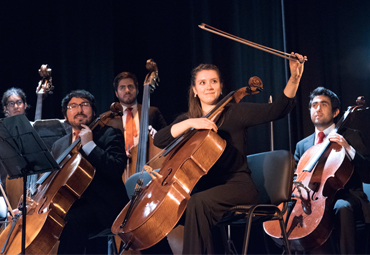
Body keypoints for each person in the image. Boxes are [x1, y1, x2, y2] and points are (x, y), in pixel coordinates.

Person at [153, 53, 305, 254]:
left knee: (198, 203)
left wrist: (294, 78)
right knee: (174, 209)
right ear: (195, 90)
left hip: (238, 186)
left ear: (221, 86)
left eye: (213, 81)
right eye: (203, 82)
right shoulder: (187, 121)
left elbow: (277, 110)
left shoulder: (236, 112)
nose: (209, 86)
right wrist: (191, 123)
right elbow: (160, 140)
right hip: (207, 190)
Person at [51, 89, 129, 254]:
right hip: (71, 204)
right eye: (73, 106)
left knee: (71, 222)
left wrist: (89, 146)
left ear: (93, 111)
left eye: (84, 105)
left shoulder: (109, 134)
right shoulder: (59, 145)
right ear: (65, 115)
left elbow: (115, 169)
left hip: (104, 205)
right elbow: (52, 179)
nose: (79, 109)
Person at [294, 87, 370, 254]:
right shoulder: (302, 145)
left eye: (323, 104)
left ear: (336, 112)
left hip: (347, 196)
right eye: (314, 105)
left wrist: (348, 148)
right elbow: (296, 176)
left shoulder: (351, 136)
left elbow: (368, 174)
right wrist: (297, 189)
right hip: (312, 200)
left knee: (341, 206)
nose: (317, 109)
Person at [113, 71, 167, 156]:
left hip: (149, 162)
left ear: (137, 90)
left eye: (130, 86)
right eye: (122, 87)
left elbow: (167, 138)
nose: (127, 90)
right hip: (120, 165)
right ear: (116, 93)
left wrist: (156, 136)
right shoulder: (109, 118)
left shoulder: (152, 112)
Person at [0, 88, 29, 212]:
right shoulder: (2, 132)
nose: (16, 106)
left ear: (25, 105)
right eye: (11, 104)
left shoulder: (34, 129)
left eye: (19, 102)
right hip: (6, 185)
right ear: (5, 108)